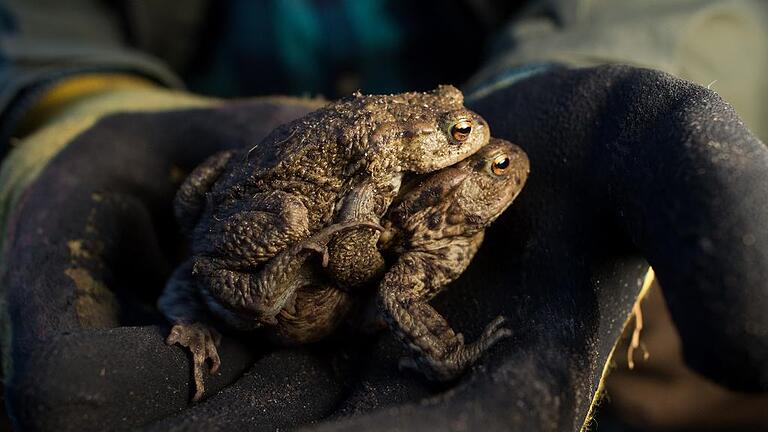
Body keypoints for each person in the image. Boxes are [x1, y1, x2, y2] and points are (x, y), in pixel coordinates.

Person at [1, 1, 767, 430]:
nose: (485, 147)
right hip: (264, 203)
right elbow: (361, 243)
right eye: (472, 146)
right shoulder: (382, 165)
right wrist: (77, 102)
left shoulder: (410, 152)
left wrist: (573, 87)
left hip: (646, 343)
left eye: (475, 142)